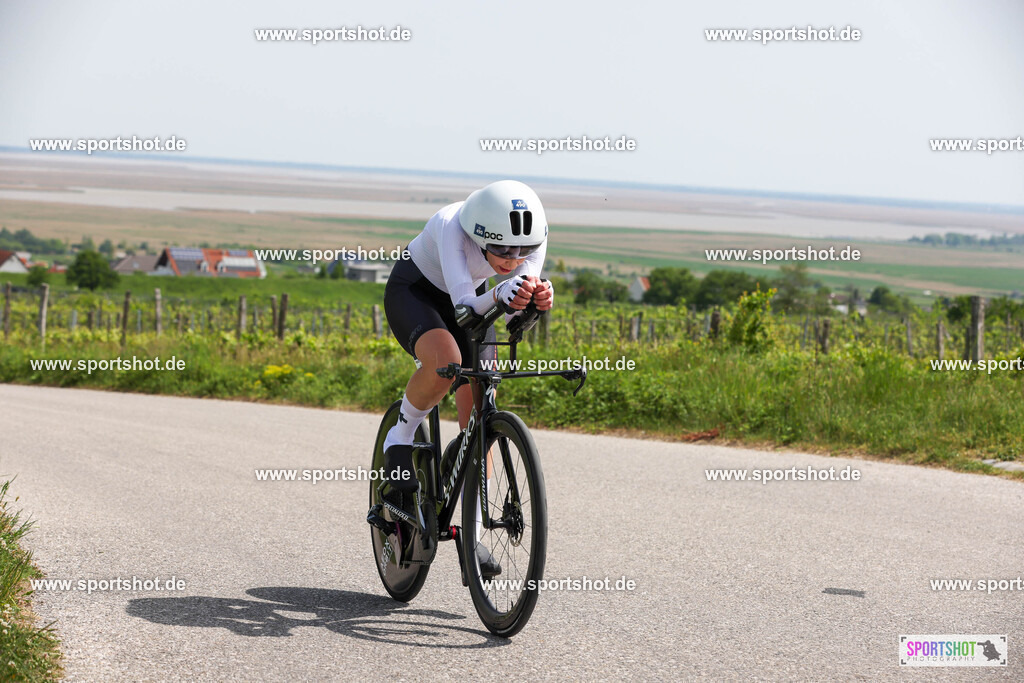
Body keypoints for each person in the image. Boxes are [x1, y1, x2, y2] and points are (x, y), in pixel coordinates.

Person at [380, 179, 554, 576]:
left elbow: (511, 312)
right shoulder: (452, 227)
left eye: (521, 252)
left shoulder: (530, 236)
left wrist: (537, 300)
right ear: (479, 235)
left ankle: (470, 531)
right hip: (418, 293)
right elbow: (464, 309)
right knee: (447, 361)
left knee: (482, 403)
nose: (512, 259)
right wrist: (501, 293)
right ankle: (402, 433)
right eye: (501, 250)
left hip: (474, 299)